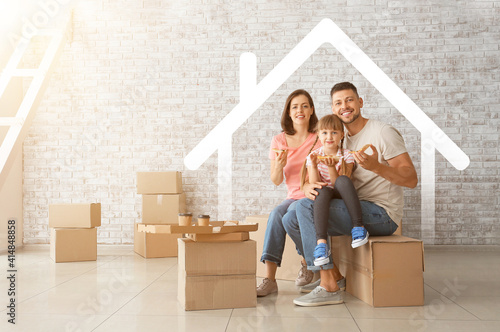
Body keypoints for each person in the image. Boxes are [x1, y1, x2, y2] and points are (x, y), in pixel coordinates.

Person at [284, 82, 418, 306]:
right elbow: (319, 174)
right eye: (338, 103)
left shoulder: (382, 132)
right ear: (333, 109)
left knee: (303, 208)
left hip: (381, 213)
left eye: (349, 100)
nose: (344, 106)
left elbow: (411, 179)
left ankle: (328, 287)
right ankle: (333, 276)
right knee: (289, 218)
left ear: (360, 103)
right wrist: (308, 186)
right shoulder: (339, 137)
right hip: (352, 204)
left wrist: (377, 167)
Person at [257, 89, 321, 297]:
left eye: (304, 105)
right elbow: (276, 180)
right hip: (292, 196)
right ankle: (270, 280)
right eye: (294, 107)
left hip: (312, 196)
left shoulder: (319, 138)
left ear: (311, 110)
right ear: (288, 112)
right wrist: (279, 165)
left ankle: (306, 262)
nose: (299, 110)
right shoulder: (279, 141)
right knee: (277, 214)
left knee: (291, 214)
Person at [305, 114, 368, 267]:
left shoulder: (347, 155)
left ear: (341, 135)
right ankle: (321, 244)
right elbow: (314, 184)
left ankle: (358, 227)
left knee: (343, 179)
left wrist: (331, 167)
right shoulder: (314, 156)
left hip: (342, 193)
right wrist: (313, 166)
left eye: (334, 132)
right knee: (321, 190)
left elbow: (339, 183)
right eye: (325, 133)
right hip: (324, 195)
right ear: (319, 135)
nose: (329, 137)